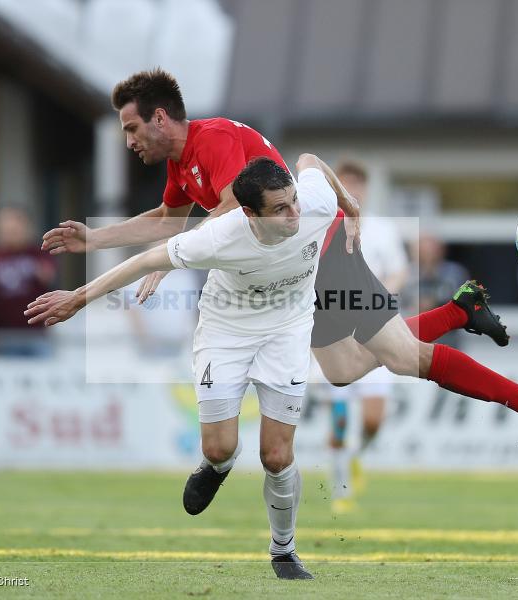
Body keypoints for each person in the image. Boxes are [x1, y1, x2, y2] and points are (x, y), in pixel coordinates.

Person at [41, 69, 518, 504]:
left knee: (403, 357)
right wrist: (96, 239)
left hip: (319, 249)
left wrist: (171, 261)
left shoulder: (216, 140)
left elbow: (233, 210)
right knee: (345, 370)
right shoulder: (184, 163)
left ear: (160, 118)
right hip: (289, 270)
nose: (129, 141)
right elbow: (166, 221)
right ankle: (462, 312)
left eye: (132, 129)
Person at [29, 154, 349, 579]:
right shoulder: (218, 236)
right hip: (225, 333)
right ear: (249, 213)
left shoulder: (314, 203)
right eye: (280, 209)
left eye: (293, 201)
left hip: (288, 331)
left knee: (276, 455)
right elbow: (143, 261)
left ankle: (284, 551)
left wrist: (351, 203)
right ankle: (217, 466)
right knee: (219, 448)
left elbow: (310, 160)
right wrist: (78, 297)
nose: (295, 213)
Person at [319, 160, 409, 513]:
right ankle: (340, 490)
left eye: (358, 183)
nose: (353, 189)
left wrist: (378, 297)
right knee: (339, 419)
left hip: (376, 328)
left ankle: (357, 457)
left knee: (373, 420)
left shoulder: (383, 230)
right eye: (346, 183)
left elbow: (400, 271)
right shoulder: (325, 226)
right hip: (336, 332)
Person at [0, 206, 56, 356]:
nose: (10, 234)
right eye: (6, 230)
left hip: (36, 334)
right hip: (2, 335)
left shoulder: (40, 253)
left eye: (15, 229)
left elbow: (51, 281)